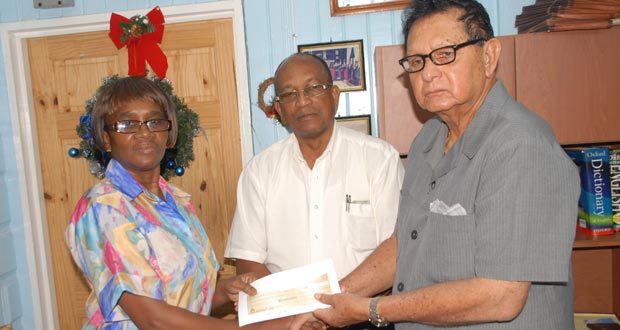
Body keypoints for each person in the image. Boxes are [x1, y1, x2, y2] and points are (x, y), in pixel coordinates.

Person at [309, 1, 580, 329]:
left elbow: (501, 295)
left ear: (489, 56)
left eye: (445, 54)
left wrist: (371, 309)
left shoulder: (522, 146)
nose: (428, 73)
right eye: (416, 61)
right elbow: (405, 244)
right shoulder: (428, 138)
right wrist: (331, 300)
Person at [65, 76, 262, 329]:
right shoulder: (103, 207)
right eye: (127, 124)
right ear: (105, 138)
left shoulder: (177, 201)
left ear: (168, 133)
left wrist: (225, 291)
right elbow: (153, 319)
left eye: (155, 121)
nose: (144, 132)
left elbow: (182, 300)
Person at [224, 53, 404, 328]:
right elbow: (248, 262)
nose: (302, 101)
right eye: (289, 93)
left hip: (362, 318)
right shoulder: (259, 172)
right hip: (288, 323)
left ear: (334, 96)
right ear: (280, 109)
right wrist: (296, 316)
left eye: (313, 88)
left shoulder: (379, 159)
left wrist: (330, 308)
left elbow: (396, 251)